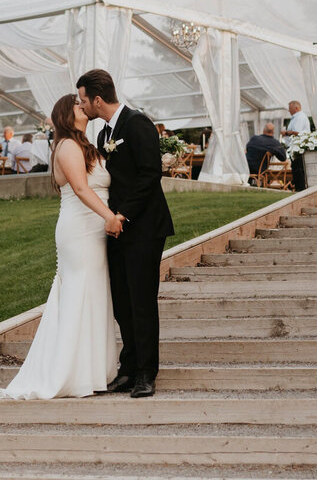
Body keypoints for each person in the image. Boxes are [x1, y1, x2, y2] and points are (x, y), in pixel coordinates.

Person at [0, 95, 124, 400]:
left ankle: (94, 371)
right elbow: (80, 188)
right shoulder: (67, 147)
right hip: (80, 229)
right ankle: (69, 372)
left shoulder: (88, 144)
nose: (84, 107)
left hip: (94, 229)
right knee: (78, 292)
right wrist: (109, 217)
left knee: (95, 292)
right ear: (66, 114)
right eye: (78, 105)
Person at [77, 68, 174, 399]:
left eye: (83, 100)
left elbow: (151, 174)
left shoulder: (137, 123)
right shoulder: (105, 135)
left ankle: (147, 372)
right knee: (122, 302)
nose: (82, 105)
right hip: (116, 229)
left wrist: (123, 214)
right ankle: (129, 368)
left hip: (144, 227)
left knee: (141, 301)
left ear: (98, 100)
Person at [282, 100, 310, 191]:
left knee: (298, 170)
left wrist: (286, 132)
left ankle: (300, 189)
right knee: (296, 169)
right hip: (294, 148)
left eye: (290, 109)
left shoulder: (299, 117)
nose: (289, 111)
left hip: (298, 148)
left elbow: (297, 132)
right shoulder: (296, 118)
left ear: (296, 108)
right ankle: (298, 188)